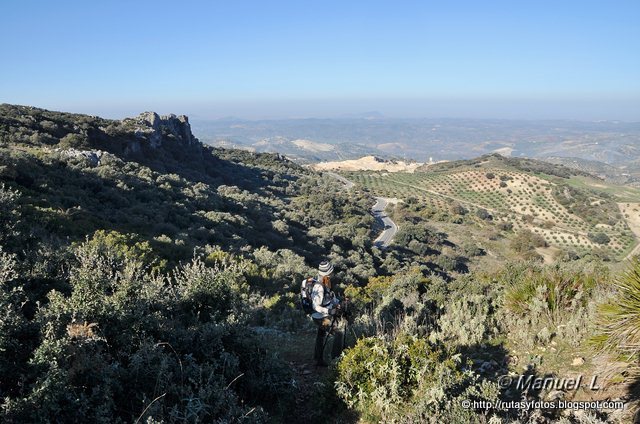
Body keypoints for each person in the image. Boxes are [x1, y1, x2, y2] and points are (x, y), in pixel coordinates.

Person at [311, 260, 344, 366]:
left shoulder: (326, 281)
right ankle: (336, 359)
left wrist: (338, 303)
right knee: (338, 333)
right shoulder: (319, 286)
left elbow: (330, 296)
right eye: (331, 271)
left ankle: (318, 358)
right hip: (320, 316)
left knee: (321, 335)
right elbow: (315, 306)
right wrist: (329, 311)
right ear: (327, 272)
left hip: (322, 315)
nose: (333, 273)